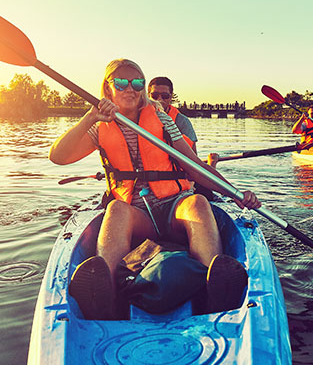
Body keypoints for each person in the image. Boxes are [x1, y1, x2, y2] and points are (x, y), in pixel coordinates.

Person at [49, 59, 260, 320]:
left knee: (198, 204)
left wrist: (235, 194)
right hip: (138, 217)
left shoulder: (161, 118)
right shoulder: (98, 126)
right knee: (115, 209)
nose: (130, 89)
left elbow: (195, 167)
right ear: (107, 88)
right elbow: (58, 156)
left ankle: (212, 289)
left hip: (174, 208)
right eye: (121, 82)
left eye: (137, 82)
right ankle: (108, 297)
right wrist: (90, 116)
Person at [148, 76, 196, 153]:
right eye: (155, 96)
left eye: (165, 96)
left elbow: (193, 155)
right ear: (148, 96)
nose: (159, 99)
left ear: (170, 97)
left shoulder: (182, 121)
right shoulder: (136, 118)